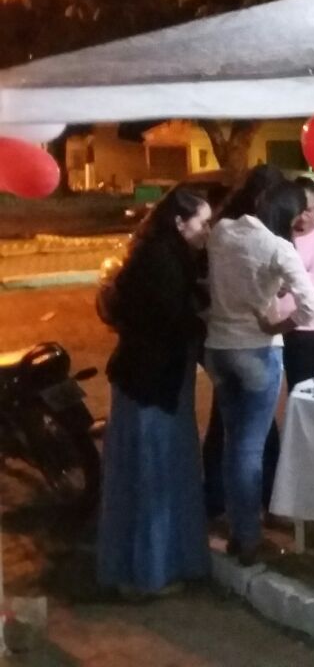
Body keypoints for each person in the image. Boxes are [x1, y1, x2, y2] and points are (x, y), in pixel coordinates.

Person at [97, 188, 213, 596]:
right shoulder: (162, 261)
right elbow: (169, 321)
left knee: (142, 473)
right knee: (154, 476)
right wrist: (205, 321)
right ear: (180, 223)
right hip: (152, 384)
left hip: (146, 380)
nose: (208, 232)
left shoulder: (158, 253)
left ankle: (137, 568)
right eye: (203, 223)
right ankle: (151, 573)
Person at [205, 178, 314, 566]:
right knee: (249, 448)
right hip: (256, 350)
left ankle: (239, 529)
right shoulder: (277, 247)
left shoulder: (221, 232)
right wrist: (276, 326)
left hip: (218, 348)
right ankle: (249, 539)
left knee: (232, 441)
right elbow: (309, 307)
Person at [260, 177, 314, 507]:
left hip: (309, 330)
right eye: (299, 209)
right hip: (270, 328)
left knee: (300, 400)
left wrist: (284, 281)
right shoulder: (279, 233)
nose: (304, 216)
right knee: (267, 404)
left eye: (310, 209)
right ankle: (275, 477)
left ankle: (306, 475)